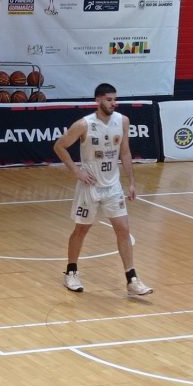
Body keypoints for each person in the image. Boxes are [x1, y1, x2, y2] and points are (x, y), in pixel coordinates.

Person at [54, 83, 152, 297]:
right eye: (109, 99)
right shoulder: (84, 124)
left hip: (113, 186)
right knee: (81, 229)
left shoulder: (123, 121)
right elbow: (59, 146)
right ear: (98, 100)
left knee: (123, 229)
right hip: (89, 187)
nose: (113, 103)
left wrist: (131, 182)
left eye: (115, 99)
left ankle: (132, 279)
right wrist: (77, 171)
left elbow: (125, 152)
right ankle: (71, 272)